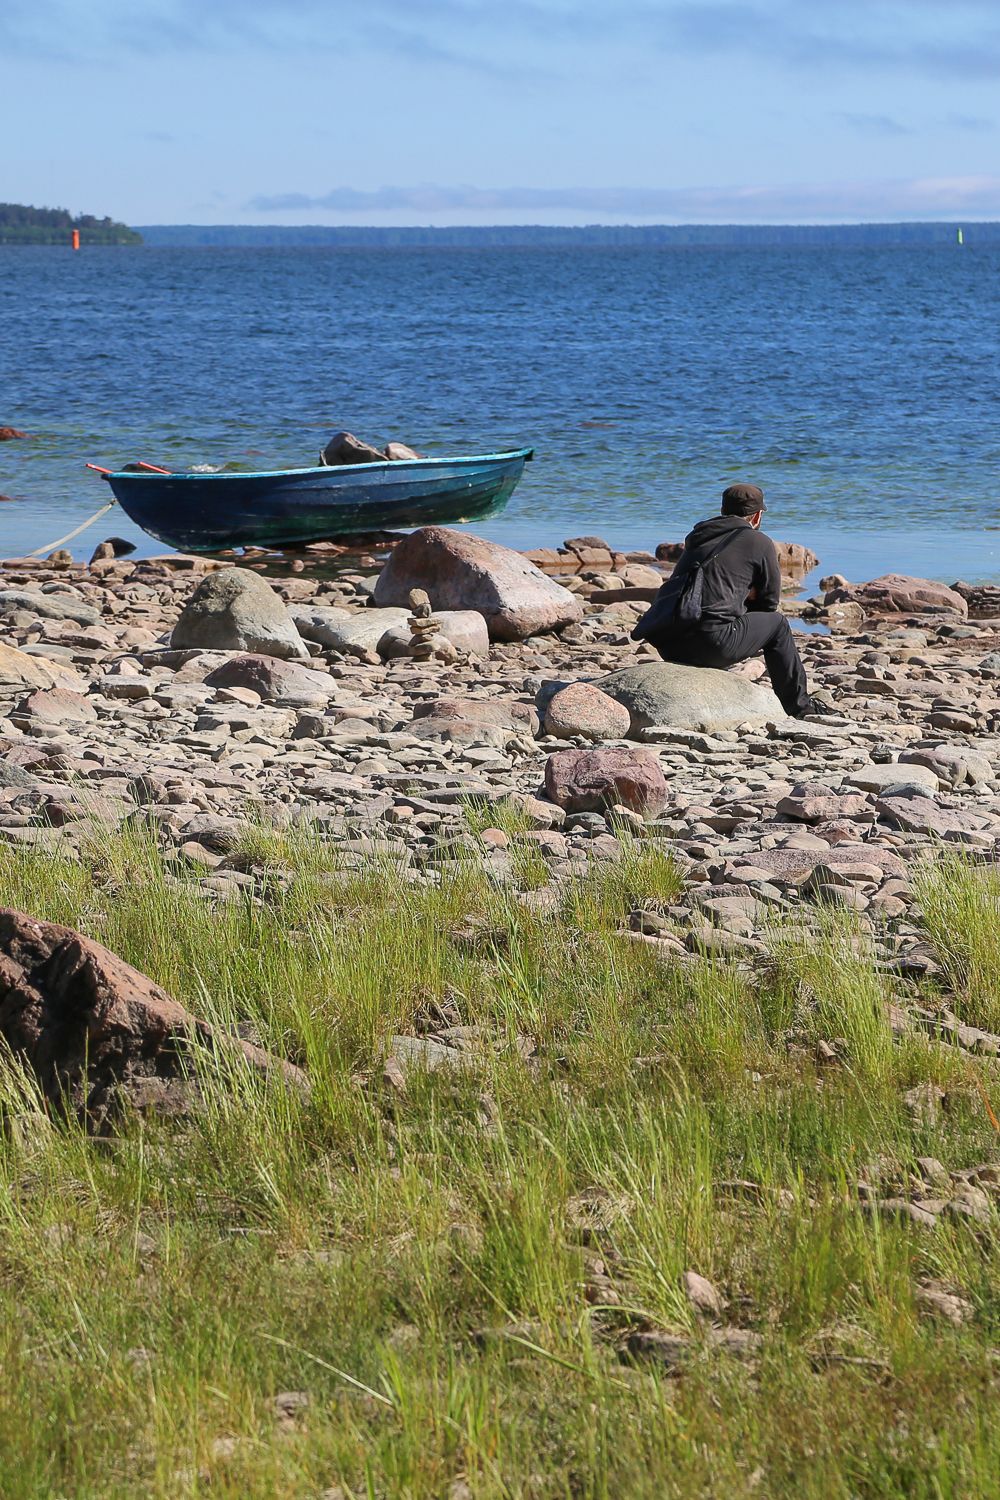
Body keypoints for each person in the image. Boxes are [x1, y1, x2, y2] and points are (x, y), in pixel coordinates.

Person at [632, 482, 822, 718]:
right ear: (757, 516)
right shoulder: (759, 541)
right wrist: (744, 596)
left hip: (670, 643)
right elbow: (768, 604)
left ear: (723, 510)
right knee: (778, 625)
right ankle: (800, 709)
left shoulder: (697, 537)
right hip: (713, 646)